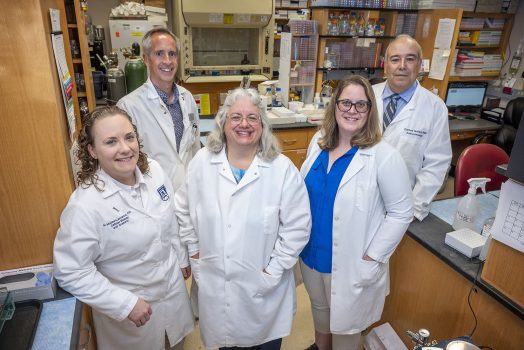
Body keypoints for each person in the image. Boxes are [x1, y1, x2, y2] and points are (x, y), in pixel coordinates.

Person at [174, 88, 311, 349]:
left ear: (263, 125)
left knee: (265, 344)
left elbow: (298, 228)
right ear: (223, 122)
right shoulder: (203, 162)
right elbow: (182, 209)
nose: (244, 124)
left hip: (264, 287)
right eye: (236, 117)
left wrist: (273, 271)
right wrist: (194, 251)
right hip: (216, 283)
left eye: (252, 117)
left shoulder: (281, 169)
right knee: (225, 343)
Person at [53, 106, 194, 350]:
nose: (125, 148)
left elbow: (170, 221)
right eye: (110, 142)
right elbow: (71, 271)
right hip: (133, 315)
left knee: (176, 344)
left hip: (172, 294)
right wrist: (124, 304)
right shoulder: (85, 205)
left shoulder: (154, 171)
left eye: (129, 137)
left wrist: (181, 257)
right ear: (92, 151)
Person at [300, 76, 413, 350]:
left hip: (351, 264)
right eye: (346, 102)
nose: (352, 110)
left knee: (346, 334)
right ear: (335, 106)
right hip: (311, 258)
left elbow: (401, 212)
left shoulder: (384, 156)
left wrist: (373, 257)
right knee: (321, 317)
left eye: (361, 105)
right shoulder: (318, 141)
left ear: (370, 110)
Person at [117, 27, 200, 279]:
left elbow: (194, 147)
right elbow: (128, 166)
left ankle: (199, 315)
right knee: (167, 275)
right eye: (159, 54)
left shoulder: (187, 98)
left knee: (198, 267)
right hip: (155, 202)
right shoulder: (129, 106)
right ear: (146, 59)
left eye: (172, 54)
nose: (167, 61)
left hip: (190, 196)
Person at [373, 34, 452, 221]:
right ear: (386, 65)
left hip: (402, 205)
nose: (402, 66)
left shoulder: (435, 107)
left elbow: (436, 164)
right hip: (358, 198)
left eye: (410, 59)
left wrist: (414, 209)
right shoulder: (366, 96)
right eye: (395, 59)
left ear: (420, 66)